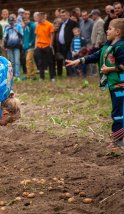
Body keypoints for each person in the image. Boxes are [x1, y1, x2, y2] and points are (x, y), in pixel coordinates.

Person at [66, 18, 124, 149]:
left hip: (120, 85)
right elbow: (96, 56)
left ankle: (118, 141)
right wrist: (79, 61)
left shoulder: (121, 47)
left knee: (118, 112)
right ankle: (117, 139)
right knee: (118, 110)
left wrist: (109, 69)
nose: (107, 30)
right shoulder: (109, 45)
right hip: (113, 84)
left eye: (110, 28)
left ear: (118, 32)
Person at [35, 12, 55, 82]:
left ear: (42, 17)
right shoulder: (38, 25)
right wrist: (35, 46)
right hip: (39, 46)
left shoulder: (50, 25)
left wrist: (50, 45)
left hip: (47, 46)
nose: (37, 19)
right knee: (40, 62)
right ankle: (41, 77)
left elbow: (52, 35)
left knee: (50, 62)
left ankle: (52, 77)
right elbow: (37, 36)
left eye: (38, 17)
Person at [58, 9, 78, 76]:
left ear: (68, 15)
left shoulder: (72, 23)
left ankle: (73, 73)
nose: (62, 17)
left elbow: (76, 32)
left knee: (70, 59)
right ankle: (68, 73)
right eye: (61, 16)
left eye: (64, 15)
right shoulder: (61, 24)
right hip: (62, 45)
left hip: (69, 45)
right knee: (65, 59)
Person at [4, 14, 23, 81]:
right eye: (10, 20)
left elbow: (21, 36)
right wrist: (5, 46)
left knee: (17, 61)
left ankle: (17, 75)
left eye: (13, 20)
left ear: (15, 20)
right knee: (11, 62)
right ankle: (13, 75)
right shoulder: (7, 28)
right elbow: (5, 38)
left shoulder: (19, 26)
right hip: (9, 47)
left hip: (17, 46)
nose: (12, 22)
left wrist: (16, 30)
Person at [23, 14, 37, 80]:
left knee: (28, 60)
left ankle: (28, 75)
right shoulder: (25, 27)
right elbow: (25, 37)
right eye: (24, 21)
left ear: (29, 19)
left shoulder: (32, 26)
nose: (25, 21)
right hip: (26, 46)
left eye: (26, 20)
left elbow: (34, 36)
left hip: (31, 46)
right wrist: (24, 44)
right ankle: (33, 75)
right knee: (31, 61)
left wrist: (31, 43)